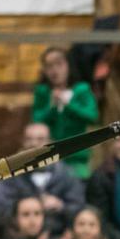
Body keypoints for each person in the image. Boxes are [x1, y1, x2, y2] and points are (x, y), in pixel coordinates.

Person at [0, 122, 85, 236]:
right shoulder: (8, 176)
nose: (34, 143)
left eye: (40, 139)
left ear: (51, 143)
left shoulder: (67, 174)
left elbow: (79, 208)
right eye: (29, 139)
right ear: (22, 143)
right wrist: (27, 208)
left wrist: (61, 206)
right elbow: (1, 212)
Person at [32, 47, 99, 179]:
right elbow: (35, 120)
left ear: (68, 65)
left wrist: (69, 105)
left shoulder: (82, 89)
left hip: (77, 157)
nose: (54, 70)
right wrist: (51, 106)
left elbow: (92, 116)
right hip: (48, 157)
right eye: (49, 66)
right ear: (44, 70)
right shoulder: (42, 92)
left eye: (59, 64)